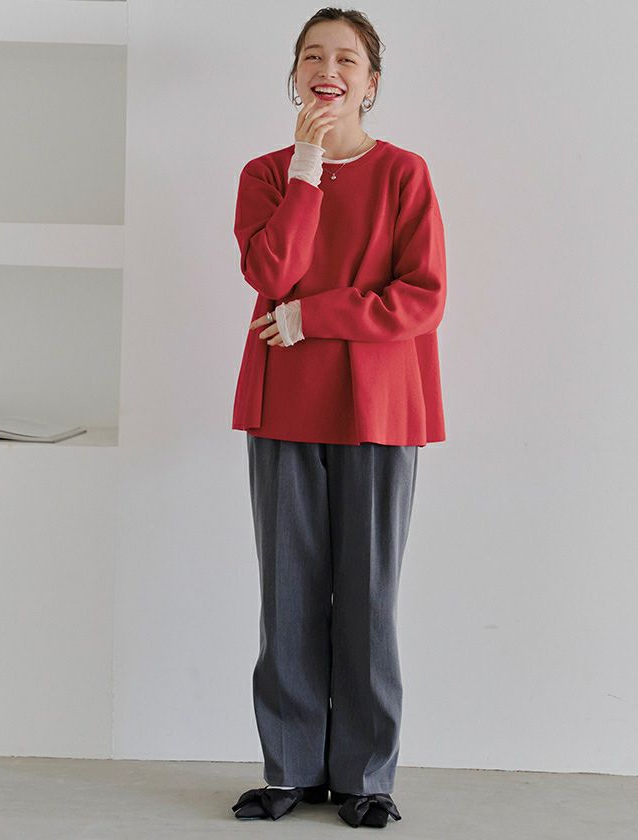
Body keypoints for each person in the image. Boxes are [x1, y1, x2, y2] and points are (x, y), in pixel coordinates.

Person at [230, 7, 447, 829]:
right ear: (295, 76)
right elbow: (271, 268)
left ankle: (365, 777)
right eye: (313, 56)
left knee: (368, 596)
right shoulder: (265, 174)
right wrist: (307, 167)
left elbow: (422, 298)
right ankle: (289, 768)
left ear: (371, 82)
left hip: (380, 409)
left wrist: (312, 316)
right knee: (286, 592)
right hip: (284, 403)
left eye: (346, 58)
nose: (329, 70)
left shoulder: (405, 174)